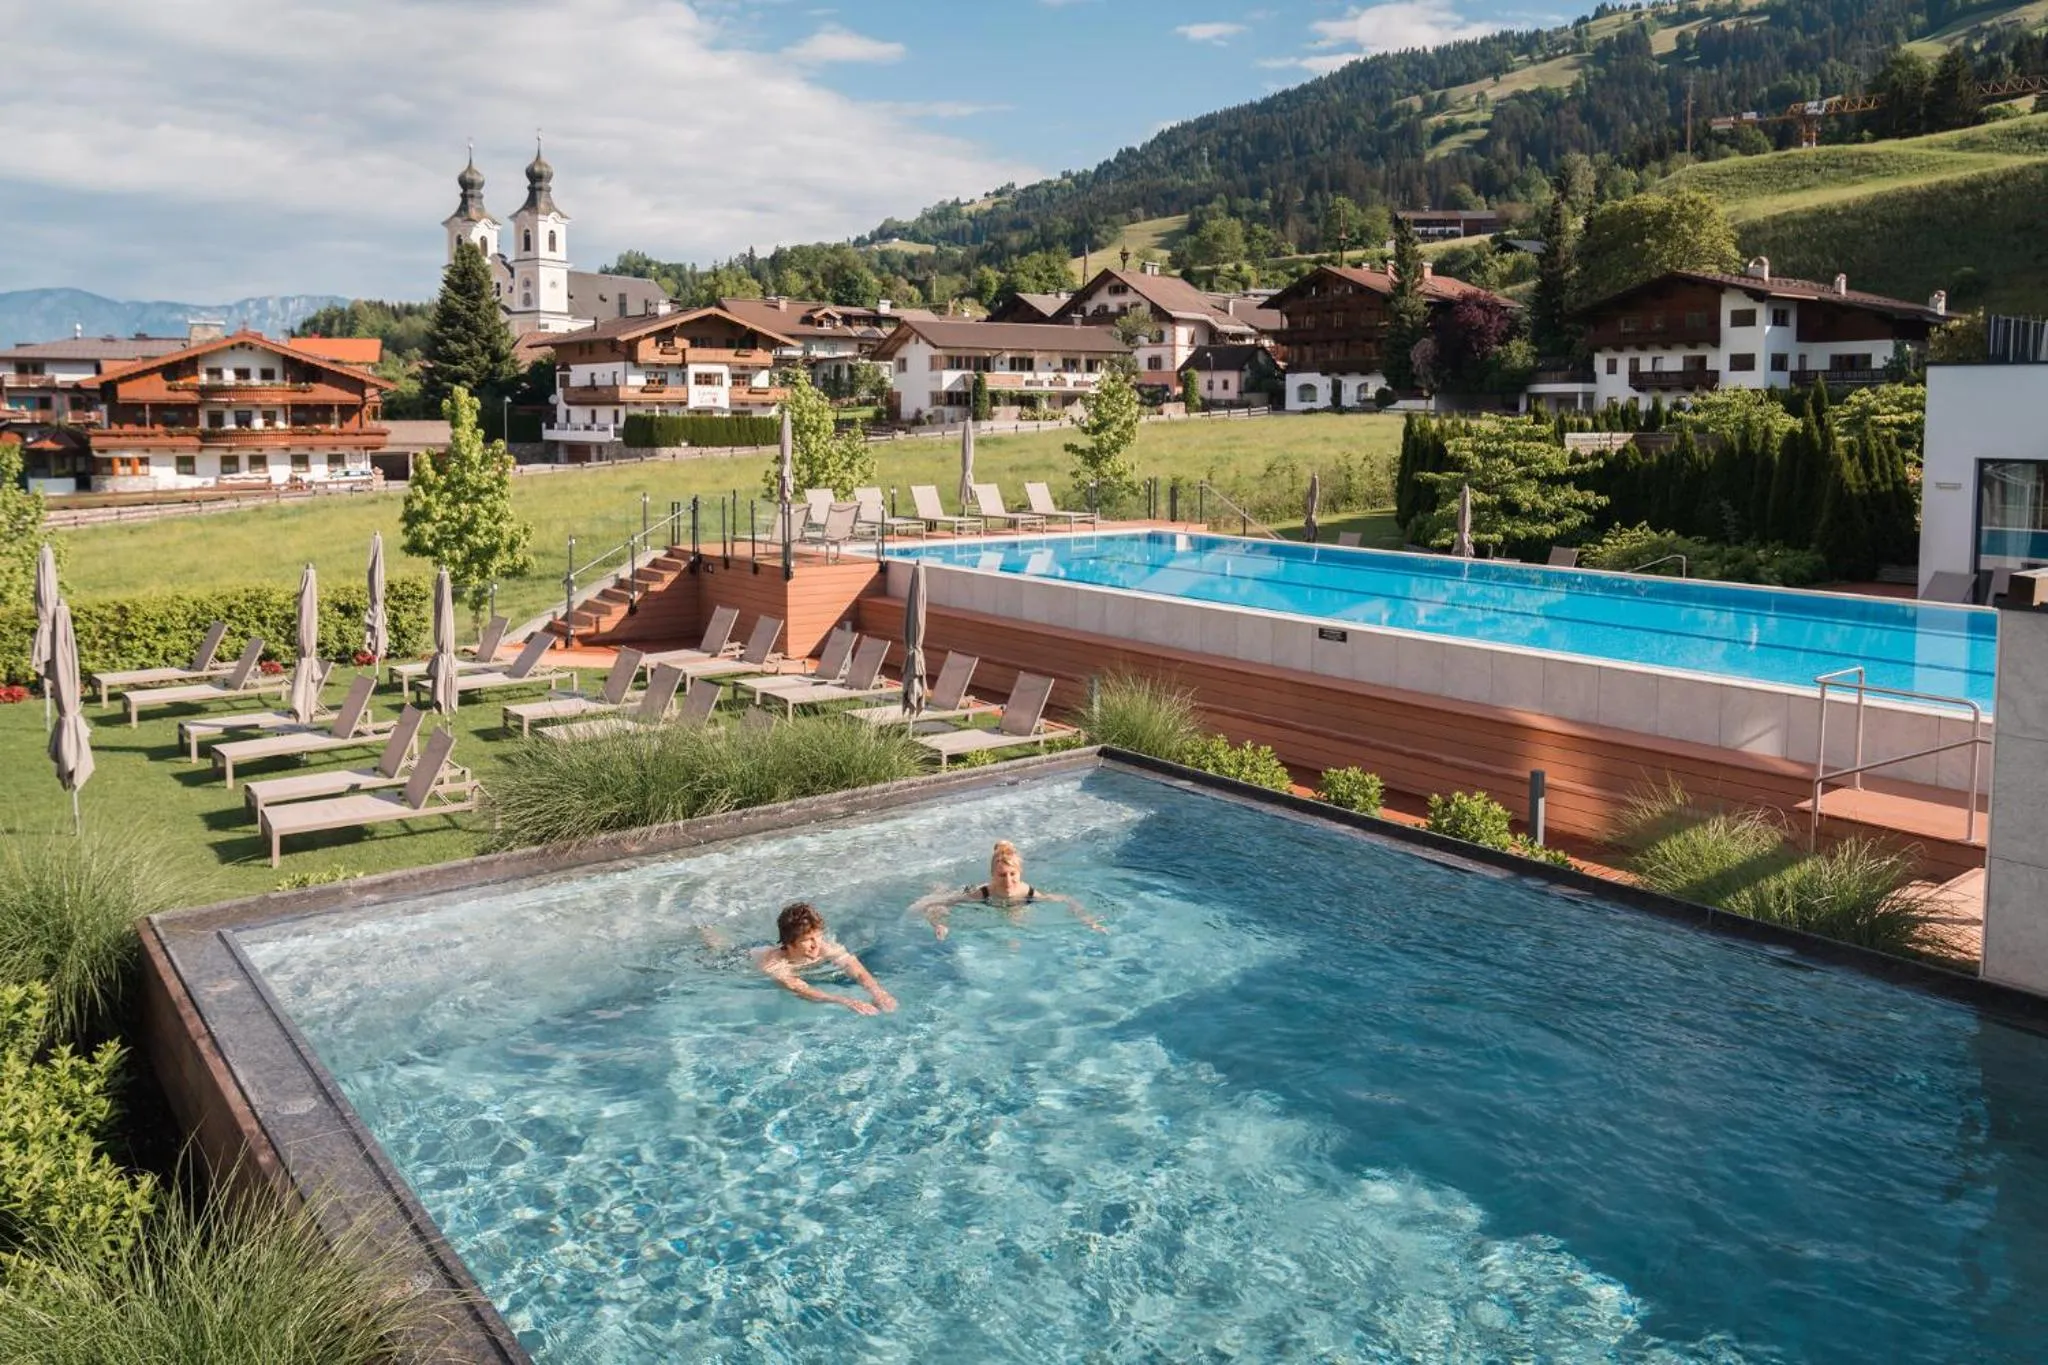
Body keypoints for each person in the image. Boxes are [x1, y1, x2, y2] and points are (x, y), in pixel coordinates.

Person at [917, 839, 1104, 940]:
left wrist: (1088, 920)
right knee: (941, 894)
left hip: (1011, 907)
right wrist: (939, 924)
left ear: (1020, 873)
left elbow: (1067, 899)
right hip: (976, 892)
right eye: (1001, 875)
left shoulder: (1028, 892)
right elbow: (937, 906)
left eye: (1012, 874)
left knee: (1014, 924)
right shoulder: (981, 893)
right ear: (992, 875)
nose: (1008, 881)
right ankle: (939, 885)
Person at [756, 901, 897, 1015]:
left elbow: (856, 969)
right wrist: (844, 1001)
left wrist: (878, 993)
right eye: (807, 940)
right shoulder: (774, 964)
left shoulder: (826, 948)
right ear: (789, 942)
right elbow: (800, 989)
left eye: (818, 936)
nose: (816, 944)